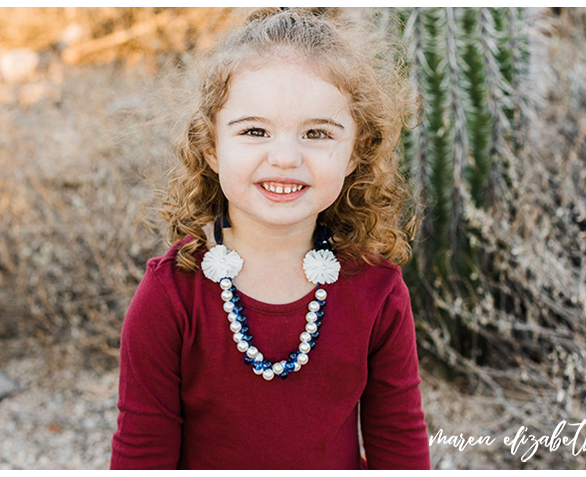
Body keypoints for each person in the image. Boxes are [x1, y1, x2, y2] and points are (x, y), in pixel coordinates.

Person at [110, 8, 429, 469]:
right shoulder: (171, 295)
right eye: (255, 131)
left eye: (316, 133)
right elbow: (142, 454)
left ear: (356, 153)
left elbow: (399, 446)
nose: (284, 157)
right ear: (211, 148)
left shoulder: (377, 291)